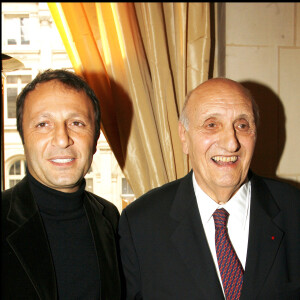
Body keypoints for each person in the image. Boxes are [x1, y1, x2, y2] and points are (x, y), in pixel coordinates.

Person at [118, 78, 300, 299]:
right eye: (211, 125)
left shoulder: (294, 210)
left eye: (242, 125)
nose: (231, 143)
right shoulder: (140, 224)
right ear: (184, 136)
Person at [1, 69, 123, 299]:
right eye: (43, 124)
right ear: (23, 139)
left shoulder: (110, 217)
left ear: (95, 138)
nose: (62, 139)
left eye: (77, 123)